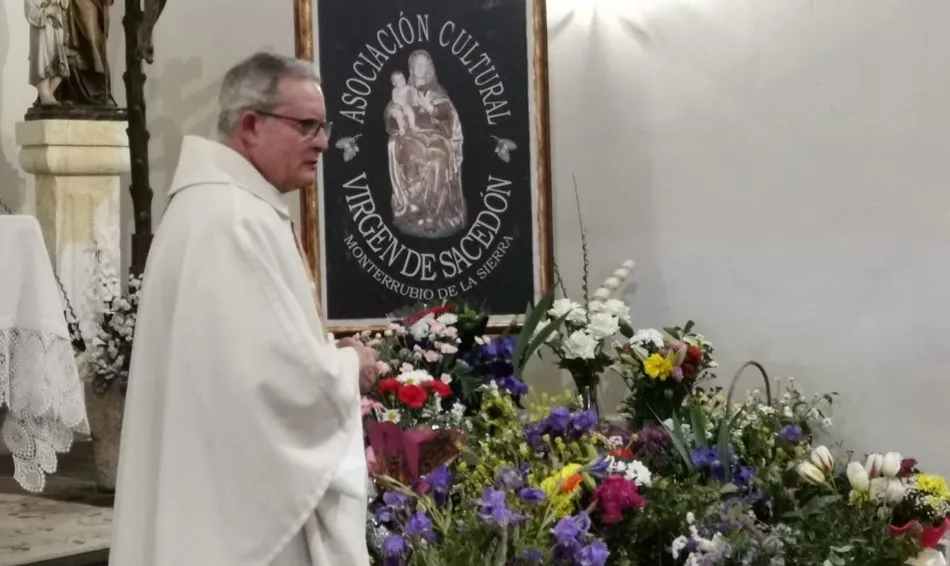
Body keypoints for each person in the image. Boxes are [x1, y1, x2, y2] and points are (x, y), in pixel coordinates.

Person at [109, 51, 378, 565]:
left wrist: (323, 354)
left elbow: (243, 361)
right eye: (306, 125)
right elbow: (271, 387)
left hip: (203, 491)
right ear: (251, 125)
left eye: (324, 126)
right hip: (235, 517)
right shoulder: (234, 220)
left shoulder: (212, 207)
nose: (322, 141)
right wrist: (348, 368)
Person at [25, 0, 70, 105]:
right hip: (42, 30)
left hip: (56, 29)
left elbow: (65, 4)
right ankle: (45, 95)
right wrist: (46, 11)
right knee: (43, 61)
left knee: (60, 66)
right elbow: (30, 11)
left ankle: (47, 94)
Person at [386, 70, 417, 135]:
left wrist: (412, 90)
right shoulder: (394, 91)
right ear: (393, 83)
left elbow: (413, 95)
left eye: (402, 78)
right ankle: (401, 128)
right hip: (396, 108)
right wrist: (404, 91)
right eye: (398, 80)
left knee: (410, 111)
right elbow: (395, 101)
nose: (400, 81)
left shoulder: (408, 87)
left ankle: (412, 125)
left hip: (404, 106)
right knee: (398, 114)